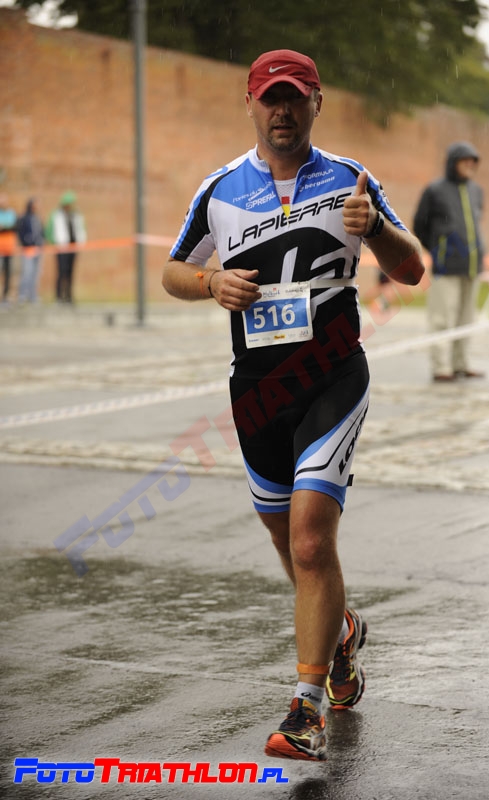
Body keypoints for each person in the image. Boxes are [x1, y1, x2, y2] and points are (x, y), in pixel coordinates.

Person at [162, 49, 424, 762]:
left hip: (333, 375)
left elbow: (411, 268)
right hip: (257, 387)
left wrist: (374, 228)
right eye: (270, 98)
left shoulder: (350, 178)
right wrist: (210, 283)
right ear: (250, 104)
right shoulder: (219, 189)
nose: (283, 110)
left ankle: (306, 710)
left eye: (295, 97)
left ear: (316, 103)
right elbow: (173, 270)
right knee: (289, 545)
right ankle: (340, 633)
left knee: (311, 539)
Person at [413, 142, 485, 382]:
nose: (470, 165)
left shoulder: (476, 191)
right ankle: (441, 367)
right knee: (442, 319)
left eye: (473, 161)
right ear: (453, 162)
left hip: (472, 266)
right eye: (466, 160)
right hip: (446, 265)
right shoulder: (435, 190)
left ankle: (461, 363)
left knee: (467, 319)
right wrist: (439, 250)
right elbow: (419, 225)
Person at [46, 191, 86, 303]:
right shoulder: (56, 215)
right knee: (61, 272)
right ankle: (59, 296)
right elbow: (49, 231)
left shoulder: (76, 215)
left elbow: (81, 229)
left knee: (70, 273)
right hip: (62, 248)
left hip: (73, 248)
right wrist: (55, 243)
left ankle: (69, 296)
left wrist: (80, 242)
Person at [17, 198, 45, 303]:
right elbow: (20, 232)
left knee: (36, 274)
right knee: (27, 272)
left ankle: (33, 296)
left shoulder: (37, 218)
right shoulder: (24, 218)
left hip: (38, 249)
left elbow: (42, 231)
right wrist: (26, 242)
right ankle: (22, 295)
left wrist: (41, 242)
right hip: (28, 249)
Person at [0, 193, 18, 304]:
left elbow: (14, 226)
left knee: (8, 272)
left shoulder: (11, 213)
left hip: (8, 248)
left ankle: (6, 294)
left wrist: (4, 227)